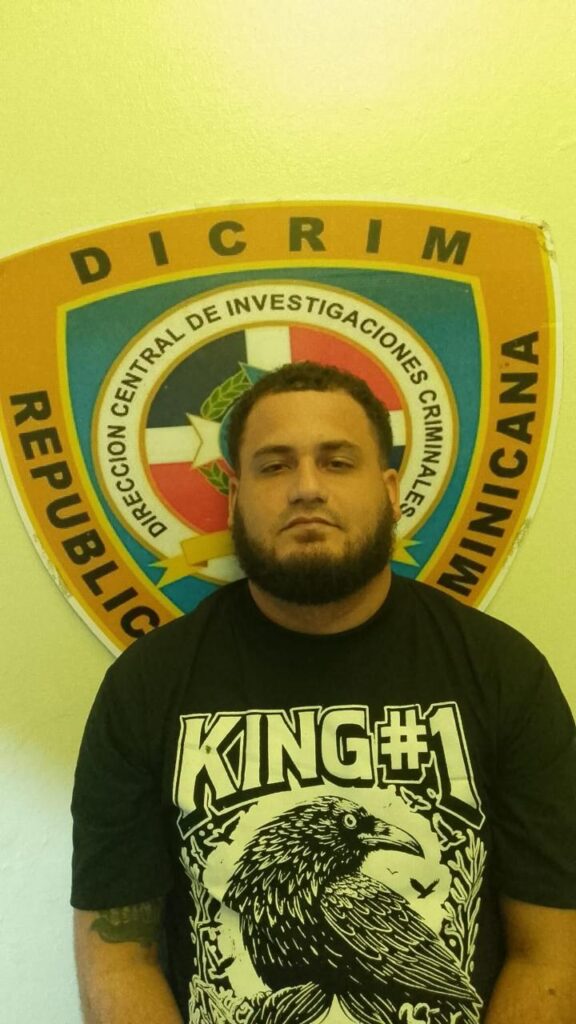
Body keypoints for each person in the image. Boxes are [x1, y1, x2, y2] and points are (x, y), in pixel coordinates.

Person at [71, 360, 576, 1024]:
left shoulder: (502, 671)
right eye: (274, 466)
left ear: (390, 490)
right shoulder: (147, 685)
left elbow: (551, 956)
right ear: (235, 495)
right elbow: (117, 959)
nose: (306, 488)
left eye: (338, 463)